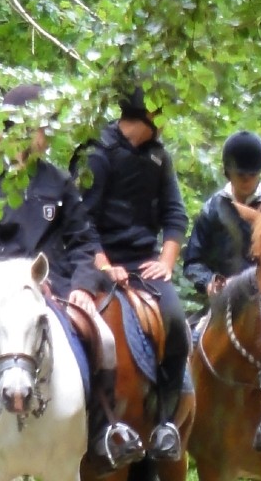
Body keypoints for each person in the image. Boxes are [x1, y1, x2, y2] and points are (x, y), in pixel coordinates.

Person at [0, 85, 143, 474]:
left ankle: (103, 431)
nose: (47, 135)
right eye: (42, 127)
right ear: (20, 130)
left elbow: (83, 240)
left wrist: (80, 285)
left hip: (54, 286)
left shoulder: (58, 183)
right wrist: (17, 280)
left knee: (106, 339)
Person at [76, 87, 192, 462]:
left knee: (176, 323)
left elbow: (175, 216)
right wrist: (105, 264)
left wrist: (167, 260)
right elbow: (81, 221)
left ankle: (166, 423)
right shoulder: (96, 154)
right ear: (147, 116)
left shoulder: (160, 157)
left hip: (144, 265)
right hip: (95, 262)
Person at [183, 131, 261, 302]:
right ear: (228, 172)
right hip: (224, 300)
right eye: (241, 175)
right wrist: (209, 282)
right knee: (190, 329)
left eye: (252, 174)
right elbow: (193, 262)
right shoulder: (212, 209)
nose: (247, 180)